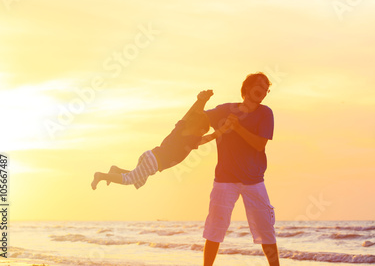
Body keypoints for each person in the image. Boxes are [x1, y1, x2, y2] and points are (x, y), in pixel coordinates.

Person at [202, 72, 280, 266]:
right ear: (247, 88)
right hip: (224, 180)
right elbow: (199, 120)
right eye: (259, 87)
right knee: (215, 229)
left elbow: (259, 144)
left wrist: (237, 127)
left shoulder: (265, 113)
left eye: (266, 89)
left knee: (266, 230)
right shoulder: (224, 110)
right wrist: (201, 102)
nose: (262, 92)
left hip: (254, 181)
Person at [91, 90, 230, 190]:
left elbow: (189, 114)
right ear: (198, 129)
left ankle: (116, 170)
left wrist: (201, 101)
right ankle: (102, 176)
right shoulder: (191, 140)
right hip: (154, 162)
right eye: (202, 131)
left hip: (150, 155)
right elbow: (208, 138)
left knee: (138, 180)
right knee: (129, 180)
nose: (202, 134)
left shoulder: (180, 128)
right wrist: (222, 130)